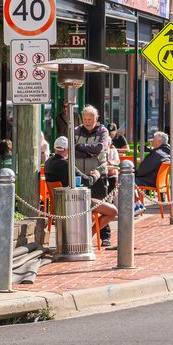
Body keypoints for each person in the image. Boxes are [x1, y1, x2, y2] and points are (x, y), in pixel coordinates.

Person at [44, 136, 117, 247]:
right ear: (67, 150)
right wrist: (96, 175)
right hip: (74, 202)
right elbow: (86, 181)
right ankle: (89, 235)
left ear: (55, 149)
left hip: (59, 203)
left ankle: (84, 234)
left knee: (92, 216)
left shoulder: (48, 163)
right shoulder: (66, 165)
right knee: (113, 211)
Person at [74, 105, 113, 244]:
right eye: (85, 119)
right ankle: (82, 236)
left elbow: (99, 148)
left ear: (96, 119)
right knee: (81, 208)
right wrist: (88, 151)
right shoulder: (76, 130)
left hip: (98, 174)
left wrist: (81, 148)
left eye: (90, 119)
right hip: (81, 175)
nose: (88, 121)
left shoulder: (103, 131)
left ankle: (105, 236)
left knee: (102, 205)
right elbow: (72, 150)